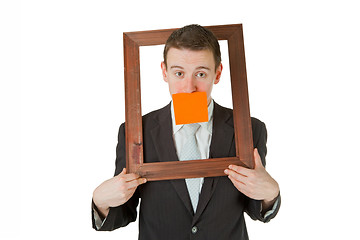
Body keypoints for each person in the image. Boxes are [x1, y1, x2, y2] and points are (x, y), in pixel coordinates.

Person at [92, 24, 281, 240]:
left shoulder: (250, 128)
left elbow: (256, 207)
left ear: (217, 73)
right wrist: (101, 201)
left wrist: (270, 194)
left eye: (200, 73)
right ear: (165, 72)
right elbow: (123, 212)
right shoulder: (135, 131)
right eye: (179, 73)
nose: (189, 87)